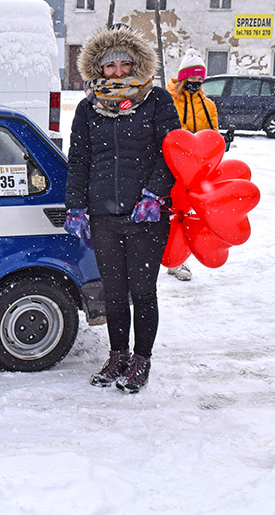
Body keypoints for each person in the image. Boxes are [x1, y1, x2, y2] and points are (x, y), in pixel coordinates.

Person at [64, 24, 181, 393]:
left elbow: (172, 151)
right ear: (98, 68)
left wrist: (154, 194)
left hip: (145, 215)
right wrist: (76, 206)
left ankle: (142, 360)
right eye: (109, 65)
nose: (117, 72)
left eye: (124, 64)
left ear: (137, 65)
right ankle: (119, 355)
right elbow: (79, 158)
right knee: (113, 292)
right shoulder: (88, 107)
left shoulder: (157, 100)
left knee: (143, 292)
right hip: (104, 215)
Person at [164, 48, 219, 281]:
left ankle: (178, 261)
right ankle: (159, 255)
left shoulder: (209, 105)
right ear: (183, 76)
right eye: (192, 77)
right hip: (170, 164)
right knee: (165, 211)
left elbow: (213, 133)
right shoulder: (168, 100)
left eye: (199, 78)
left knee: (185, 214)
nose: (196, 82)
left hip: (196, 169)